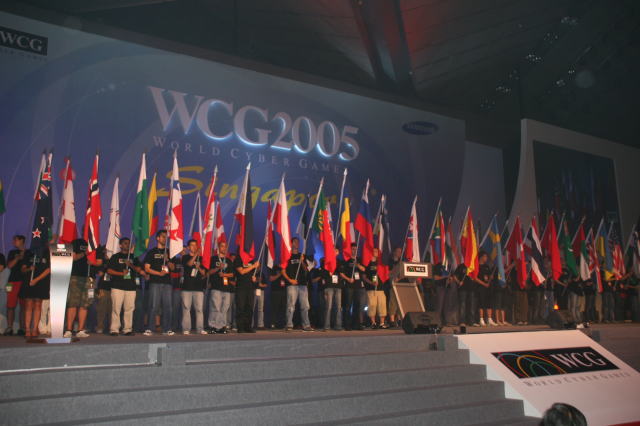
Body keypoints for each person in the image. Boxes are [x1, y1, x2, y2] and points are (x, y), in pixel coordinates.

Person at [64, 238, 102, 338]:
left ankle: (80, 330)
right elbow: (72, 257)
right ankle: (69, 330)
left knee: (85, 304)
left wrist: (92, 262)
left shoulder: (95, 244)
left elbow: (99, 262)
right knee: (73, 303)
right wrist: (84, 254)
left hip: (89, 278)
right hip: (75, 277)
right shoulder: (76, 242)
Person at [106, 238, 142, 336]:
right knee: (116, 308)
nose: (128, 245)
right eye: (125, 243)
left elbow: (139, 270)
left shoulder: (134, 257)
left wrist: (130, 264)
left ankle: (127, 329)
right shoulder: (115, 256)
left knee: (129, 308)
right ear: (120, 245)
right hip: (117, 286)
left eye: (129, 243)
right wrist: (121, 274)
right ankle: (114, 329)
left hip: (131, 287)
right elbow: (109, 270)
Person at [143, 230, 175, 336]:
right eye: (163, 237)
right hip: (155, 282)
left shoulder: (170, 252)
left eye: (166, 237)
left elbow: (173, 268)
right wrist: (158, 273)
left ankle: (167, 329)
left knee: (168, 306)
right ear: (157, 238)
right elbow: (147, 268)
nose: (165, 239)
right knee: (153, 306)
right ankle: (150, 328)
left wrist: (168, 259)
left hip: (167, 283)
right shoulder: (152, 252)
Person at [283, 237, 313, 331]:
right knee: (291, 305)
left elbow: (306, 270)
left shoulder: (302, 256)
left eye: (298, 242)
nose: (297, 244)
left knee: (305, 306)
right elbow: (283, 271)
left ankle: (306, 325)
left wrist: (302, 261)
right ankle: (289, 325)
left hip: (302, 284)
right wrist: (290, 280)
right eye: (295, 242)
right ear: (291, 243)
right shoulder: (287, 255)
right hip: (292, 284)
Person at [21, 245, 50, 339]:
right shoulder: (29, 252)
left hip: (41, 281)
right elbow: (23, 269)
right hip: (29, 281)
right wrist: (29, 269)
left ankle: (34, 329)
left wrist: (36, 280)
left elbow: (48, 269)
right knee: (28, 304)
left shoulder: (46, 252)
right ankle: (27, 329)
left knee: (38, 304)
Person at [4, 235, 30, 336]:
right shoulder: (12, 252)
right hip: (11, 282)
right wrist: (17, 258)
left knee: (23, 306)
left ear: (22, 240)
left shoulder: (29, 252)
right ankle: (9, 327)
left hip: (24, 282)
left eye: (16, 240)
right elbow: (9, 266)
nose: (13, 242)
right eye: (13, 240)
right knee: (10, 305)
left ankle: (22, 328)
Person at [181, 240, 207, 335]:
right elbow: (189, 264)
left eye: (195, 245)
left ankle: (200, 329)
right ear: (188, 247)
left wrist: (198, 267)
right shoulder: (185, 257)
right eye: (192, 245)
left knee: (199, 309)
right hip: (187, 287)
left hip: (198, 288)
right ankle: (186, 328)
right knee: (186, 309)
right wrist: (196, 255)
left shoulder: (201, 258)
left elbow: (204, 273)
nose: (194, 247)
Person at [207, 241, 234, 333]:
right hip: (216, 287)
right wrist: (218, 268)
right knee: (215, 307)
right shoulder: (213, 259)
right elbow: (209, 272)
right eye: (222, 246)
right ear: (218, 248)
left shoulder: (229, 260)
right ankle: (213, 326)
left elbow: (232, 274)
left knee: (225, 308)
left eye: (225, 246)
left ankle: (222, 326)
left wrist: (224, 275)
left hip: (226, 288)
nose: (224, 248)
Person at [340, 243, 366, 330]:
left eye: (356, 249)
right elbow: (341, 273)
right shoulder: (346, 260)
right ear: (350, 250)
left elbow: (363, 269)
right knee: (348, 306)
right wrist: (348, 279)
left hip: (358, 286)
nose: (354, 251)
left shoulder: (359, 260)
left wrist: (357, 264)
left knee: (357, 306)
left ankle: (356, 324)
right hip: (349, 286)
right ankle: (347, 324)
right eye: (353, 249)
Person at [233, 251, 259, 333]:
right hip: (241, 287)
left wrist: (254, 278)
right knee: (241, 307)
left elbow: (253, 273)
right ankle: (240, 327)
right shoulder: (238, 259)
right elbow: (242, 271)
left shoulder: (251, 260)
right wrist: (253, 266)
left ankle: (248, 326)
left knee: (249, 307)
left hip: (250, 287)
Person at [363, 248, 387, 329]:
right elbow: (364, 277)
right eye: (374, 251)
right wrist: (371, 282)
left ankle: (382, 323)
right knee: (372, 305)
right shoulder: (368, 263)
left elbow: (386, 273)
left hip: (380, 288)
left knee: (382, 305)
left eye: (377, 251)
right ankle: (373, 323)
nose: (375, 253)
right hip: (371, 289)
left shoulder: (381, 263)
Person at [318, 251, 342, 331]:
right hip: (329, 286)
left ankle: (338, 325)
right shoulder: (325, 261)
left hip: (338, 286)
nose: (335, 252)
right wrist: (328, 272)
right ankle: (327, 326)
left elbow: (341, 272)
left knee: (338, 307)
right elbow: (322, 273)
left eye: (336, 251)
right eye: (334, 250)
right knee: (328, 306)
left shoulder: (339, 261)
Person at [475, 251, 496, 326]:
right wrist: (484, 284)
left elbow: (489, 276)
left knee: (489, 303)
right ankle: (481, 319)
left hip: (488, 287)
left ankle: (489, 319)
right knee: (481, 303)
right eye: (485, 256)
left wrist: (491, 277)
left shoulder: (487, 266)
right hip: (480, 287)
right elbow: (475, 278)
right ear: (481, 257)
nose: (486, 258)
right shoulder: (477, 266)